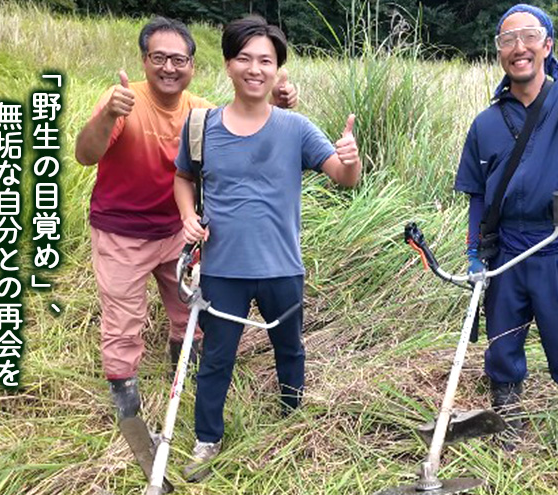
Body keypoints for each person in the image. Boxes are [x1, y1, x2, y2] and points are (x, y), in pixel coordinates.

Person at [74, 16, 298, 422]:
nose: (169, 68)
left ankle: (188, 368)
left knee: (189, 310)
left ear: (193, 65)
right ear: (144, 61)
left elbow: (246, 129)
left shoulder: (201, 114)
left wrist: (277, 105)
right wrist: (108, 114)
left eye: (179, 59)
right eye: (158, 58)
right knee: (124, 316)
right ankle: (125, 396)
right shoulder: (123, 100)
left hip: (181, 231)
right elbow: (85, 155)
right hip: (121, 231)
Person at [172, 15, 361, 482]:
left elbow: (342, 177)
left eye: (266, 61)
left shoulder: (295, 127)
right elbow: (182, 177)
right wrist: (187, 217)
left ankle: (292, 421)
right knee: (216, 357)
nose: (255, 69)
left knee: (289, 349)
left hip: (282, 266)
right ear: (228, 64)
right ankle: (207, 439)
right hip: (221, 269)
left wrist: (352, 159)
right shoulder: (201, 126)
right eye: (245, 58)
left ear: (278, 70)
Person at [454, 4, 558, 483]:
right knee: (502, 351)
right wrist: (474, 253)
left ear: (547, 46)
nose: (518, 47)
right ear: (499, 53)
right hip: (506, 254)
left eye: (528, 36)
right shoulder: (485, 123)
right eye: (507, 39)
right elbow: (479, 198)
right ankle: (508, 430)